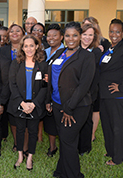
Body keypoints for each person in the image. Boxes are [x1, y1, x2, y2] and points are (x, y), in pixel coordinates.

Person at [47, 21, 95, 178]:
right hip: (57, 104)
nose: (71, 39)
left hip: (76, 107)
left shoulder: (87, 57)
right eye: (67, 35)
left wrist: (69, 108)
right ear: (63, 37)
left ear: (80, 36)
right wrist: (49, 100)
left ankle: (75, 175)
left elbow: (84, 86)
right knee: (67, 141)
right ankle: (61, 171)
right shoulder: (59, 53)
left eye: (75, 35)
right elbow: (52, 77)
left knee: (67, 141)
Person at [99, 19, 123, 166]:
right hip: (106, 94)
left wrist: (121, 86)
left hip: (117, 95)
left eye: (117, 32)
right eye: (112, 31)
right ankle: (111, 150)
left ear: (122, 33)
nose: (114, 34)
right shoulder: (111, 48)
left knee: (117, 125)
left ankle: (120, 157)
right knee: (107, 124)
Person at [8, 35, 47, 171]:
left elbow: (44, 86)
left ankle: (30, 157)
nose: (29, 48)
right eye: (26, 46)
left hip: (35, 104)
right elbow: (12, 84)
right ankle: (20, 156)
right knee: (19, 130)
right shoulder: (16, 63)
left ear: (36, 46)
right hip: (19, 103)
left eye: (32, 45)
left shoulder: (43, 64)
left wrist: (34, 104)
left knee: (32, 131)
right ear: (22, 48)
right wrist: (21, 103)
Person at [82, 17, 111, 142]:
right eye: (84, 28)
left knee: (95, 108)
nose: (87, 35)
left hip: (98, 79)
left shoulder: (104, 43)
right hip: (85, 81)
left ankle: (92, 134)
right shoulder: (78, 46)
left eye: (90, 27)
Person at [77, 23, 102, 156]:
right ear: (80, 35)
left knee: (87, 120)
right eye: (85, 34)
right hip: (75, 91)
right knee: (75, 120)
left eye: (90, 35)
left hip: (90, 91)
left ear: (94, 36)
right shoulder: (73, 50)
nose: (87, 37)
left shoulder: (97, 51)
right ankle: (74, 145)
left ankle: (84, 148)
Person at [0, 24, 25, 152]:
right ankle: (16, 143)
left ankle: (25, 144)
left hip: (24, 89)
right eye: (11, 31)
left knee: (24, 118)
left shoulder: (28, 48)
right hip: (7, 88)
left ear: (23, 33)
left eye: (18, 31)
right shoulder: (3, 50)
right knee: (13, 118)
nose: (14, 33)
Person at [43, 24, 64, 157]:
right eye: (49, 35)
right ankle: (52, 147)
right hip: (46, 91)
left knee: (62, 123)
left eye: (54, 35)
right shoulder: (45, 51)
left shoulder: (65, 52)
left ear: (61, 37)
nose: (51, 38)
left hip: (60, 92)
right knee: (49, 121)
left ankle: (65, 148)